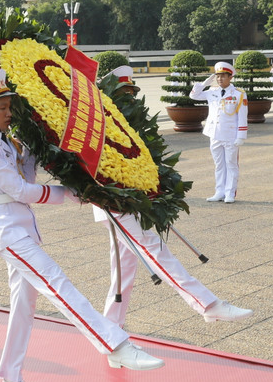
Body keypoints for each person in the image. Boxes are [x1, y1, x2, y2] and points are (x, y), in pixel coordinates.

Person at [0, 69, 163, 382]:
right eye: (2, 108)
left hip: (23, 230)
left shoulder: (9, 139)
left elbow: (37, 165)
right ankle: (116, 344)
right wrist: (74, 194)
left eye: (10, 106)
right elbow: (22, 190)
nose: (8, 113)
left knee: (23, 308)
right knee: (57, 283)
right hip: (7, 232)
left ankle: (11, 379)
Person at [93, 67, 253, 326]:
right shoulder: (101, 124)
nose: (131, 99)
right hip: (113, 202)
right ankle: (207, 304)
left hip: (131, 201)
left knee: (123, 271)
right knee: (154, 249)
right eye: (124, 94)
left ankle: (110, 330)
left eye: (132, 93)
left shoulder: (129, 124)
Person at [189, 62, 248, 203]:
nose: (220, 79)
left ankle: (230, 193)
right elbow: (193, 96)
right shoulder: (212, 91)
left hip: (230, 135)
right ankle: (219, 191)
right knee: (219, 165)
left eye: (223, 76)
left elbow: (242, 116)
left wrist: (241, 136)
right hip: (214, 134)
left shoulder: (239, 94)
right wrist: (204, 84)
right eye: (218, 76)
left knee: (231, 164)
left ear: (230, 77)